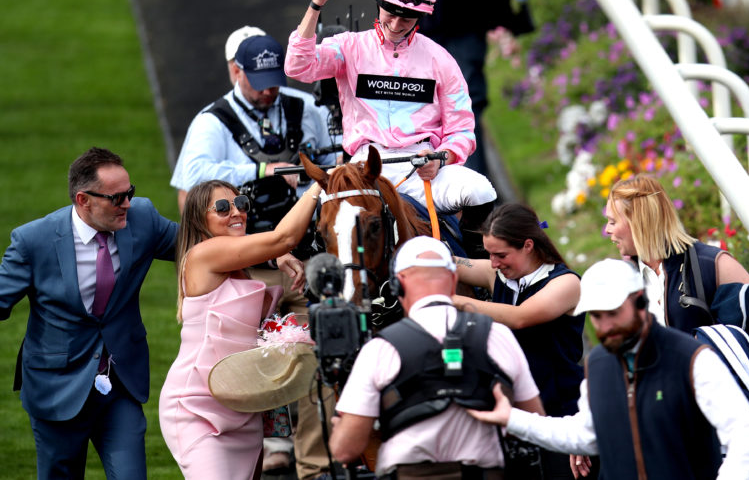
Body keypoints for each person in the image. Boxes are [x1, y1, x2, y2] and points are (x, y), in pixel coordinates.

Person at [467, 258, 749, 479]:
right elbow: (585, 434)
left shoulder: (692, 358)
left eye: (613, 313)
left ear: (639, 302)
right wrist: (511, 418)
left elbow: (746, 436)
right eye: (595, 316)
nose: (605, 326)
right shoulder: (598, 365)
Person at [0, 147, 178, 479]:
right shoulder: (32, 241)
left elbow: (197, 245)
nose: (127, 203)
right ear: (84, 200)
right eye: (117, 197)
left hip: (120, 384)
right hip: (56, 388)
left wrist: (273, 254)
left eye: (130, 193)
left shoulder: (142, 218)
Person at [284, 0, 498, 229]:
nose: (396, 25)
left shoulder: (440, 59)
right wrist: (316, 4)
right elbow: (297, 66)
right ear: (378, 5)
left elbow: (463, 131)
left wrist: (441, 158)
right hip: (365, 169)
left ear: (420, 16)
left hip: (423, 167)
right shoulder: (349, 47)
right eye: (389, 13)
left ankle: (466, 258)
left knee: (481, 191)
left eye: (406, 18)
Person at [329, 235, 544, 478]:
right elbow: (535, 422)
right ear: (453, 280)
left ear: (399, 284)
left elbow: (346, 451)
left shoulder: (379, 350)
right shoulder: (497, 335)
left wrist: (342, 430)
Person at [158, 177, 323, 480]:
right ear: (199, 219)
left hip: (243, 408)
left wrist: (276, 255)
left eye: (241, 204)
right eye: (222, 208)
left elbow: (270, 247)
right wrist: (319, 185)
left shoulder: (238, 264)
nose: (236, 212)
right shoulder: (204, 254)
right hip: (198, 408)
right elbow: (283, 237)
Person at [401, 0, 554, 176]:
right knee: (458, 106)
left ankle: (469, 199)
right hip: (448, 21)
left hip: (457, 17)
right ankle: (471, 203)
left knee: (458, 106)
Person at [452, 203, 588, 478]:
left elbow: (521, 317)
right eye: (489, 254)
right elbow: (453, 265)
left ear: (528, 245)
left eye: (500, 254)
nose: (493, 263)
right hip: (516, 416)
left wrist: (450, 302)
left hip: (562, 417)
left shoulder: (566, 283)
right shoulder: (498, 274)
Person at [170, 32, 338, 212]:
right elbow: (194, 176)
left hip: (311, 224)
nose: (267, 92)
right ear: (237, 72)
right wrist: (261, 170)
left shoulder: (310, 108)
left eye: (273, 82)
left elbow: (336, 159)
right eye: (260, 83)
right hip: (246, 232)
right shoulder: (211, 121)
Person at [605, 173, 749, 347]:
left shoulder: (710, 262)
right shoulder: (626, 278)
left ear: (639, 221)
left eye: (613, 222)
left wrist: (721, 358)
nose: (607, 229)